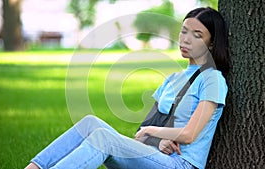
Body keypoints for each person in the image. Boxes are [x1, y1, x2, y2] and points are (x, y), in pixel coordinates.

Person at [25, 7, 229, 169]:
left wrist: (154, 131)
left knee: (103, 139)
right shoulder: (173, 78)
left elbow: (188, 135)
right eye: (184, 31)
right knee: (89, 123)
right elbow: (142, 133)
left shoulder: (212, 79)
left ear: (211, 44)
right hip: (156, 156)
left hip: (180, 164)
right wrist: (158, 139)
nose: (185, 39)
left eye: (197, 35)